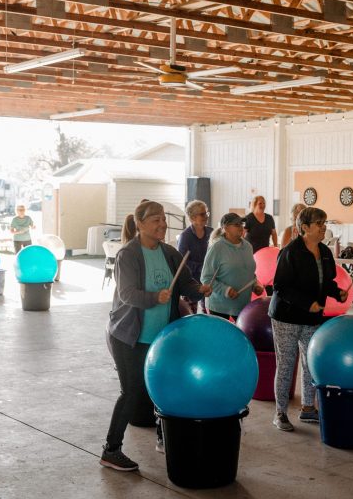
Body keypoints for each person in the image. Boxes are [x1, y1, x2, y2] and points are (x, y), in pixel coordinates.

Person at [101, 200, 212, 472]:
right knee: (131, 392)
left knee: (162, 387)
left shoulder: (170, 253)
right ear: (140, 224)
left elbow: (186, 283)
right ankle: (111, 450)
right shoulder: (129, 254)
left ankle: (163, 436)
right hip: (130, 336)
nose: (163, 224)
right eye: (156, 220)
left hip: (161, 337)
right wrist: (155, 297)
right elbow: (127, 294)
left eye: (164, 219)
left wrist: (201, 290)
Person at [268, 207, 348, 432]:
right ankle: (280, 413)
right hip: (286, 317)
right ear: (304, 227)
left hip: (312, 316)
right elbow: (280, 287)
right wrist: (307, 303)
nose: (324, 227)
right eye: (319, 223)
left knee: (309, 361)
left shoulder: (324, 251)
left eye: (325, 222)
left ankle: (307, 408)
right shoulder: (290, 251)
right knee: (286, 363)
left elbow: (326, 281)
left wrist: (336, 292)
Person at [200, 213, 264, 322]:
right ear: (226, 228)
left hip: (243, 305)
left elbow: (249, 272)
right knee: (221, 338)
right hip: (220, 307)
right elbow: (206, 278)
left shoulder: (248, 246)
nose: (241, 227)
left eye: (241, 224)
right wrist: (226, 290)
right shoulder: (217, 248)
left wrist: (255, 285)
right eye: (236, 224)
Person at [177, 200, 213, 313]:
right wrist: (202, 267)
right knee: (190, 315)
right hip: (191, 282)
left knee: (208, 314)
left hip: (209, 280)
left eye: (206, 213)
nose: (206, 216)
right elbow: (183, 262)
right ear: (192, 217)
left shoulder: (211, 232)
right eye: (202, 214)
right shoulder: (185, 236)